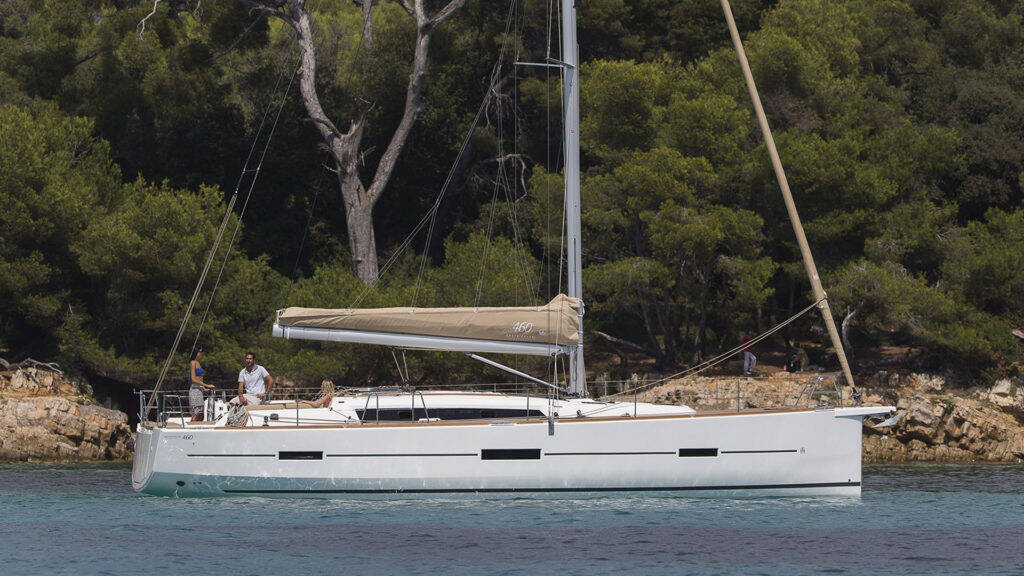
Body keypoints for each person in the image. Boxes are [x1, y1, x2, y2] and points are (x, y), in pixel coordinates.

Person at [187, 347, 214, 421]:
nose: (201, 354)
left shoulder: (198, 362)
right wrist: (206, 385)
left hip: (199, 389)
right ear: (195, 352)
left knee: (201, 414)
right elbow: (193, 379)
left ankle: (197, 426)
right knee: (196, 413)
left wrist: (204, 388)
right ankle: (192, 426)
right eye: (200, 352)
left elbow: (199, 378)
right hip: (194, 390)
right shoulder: (193, 363)